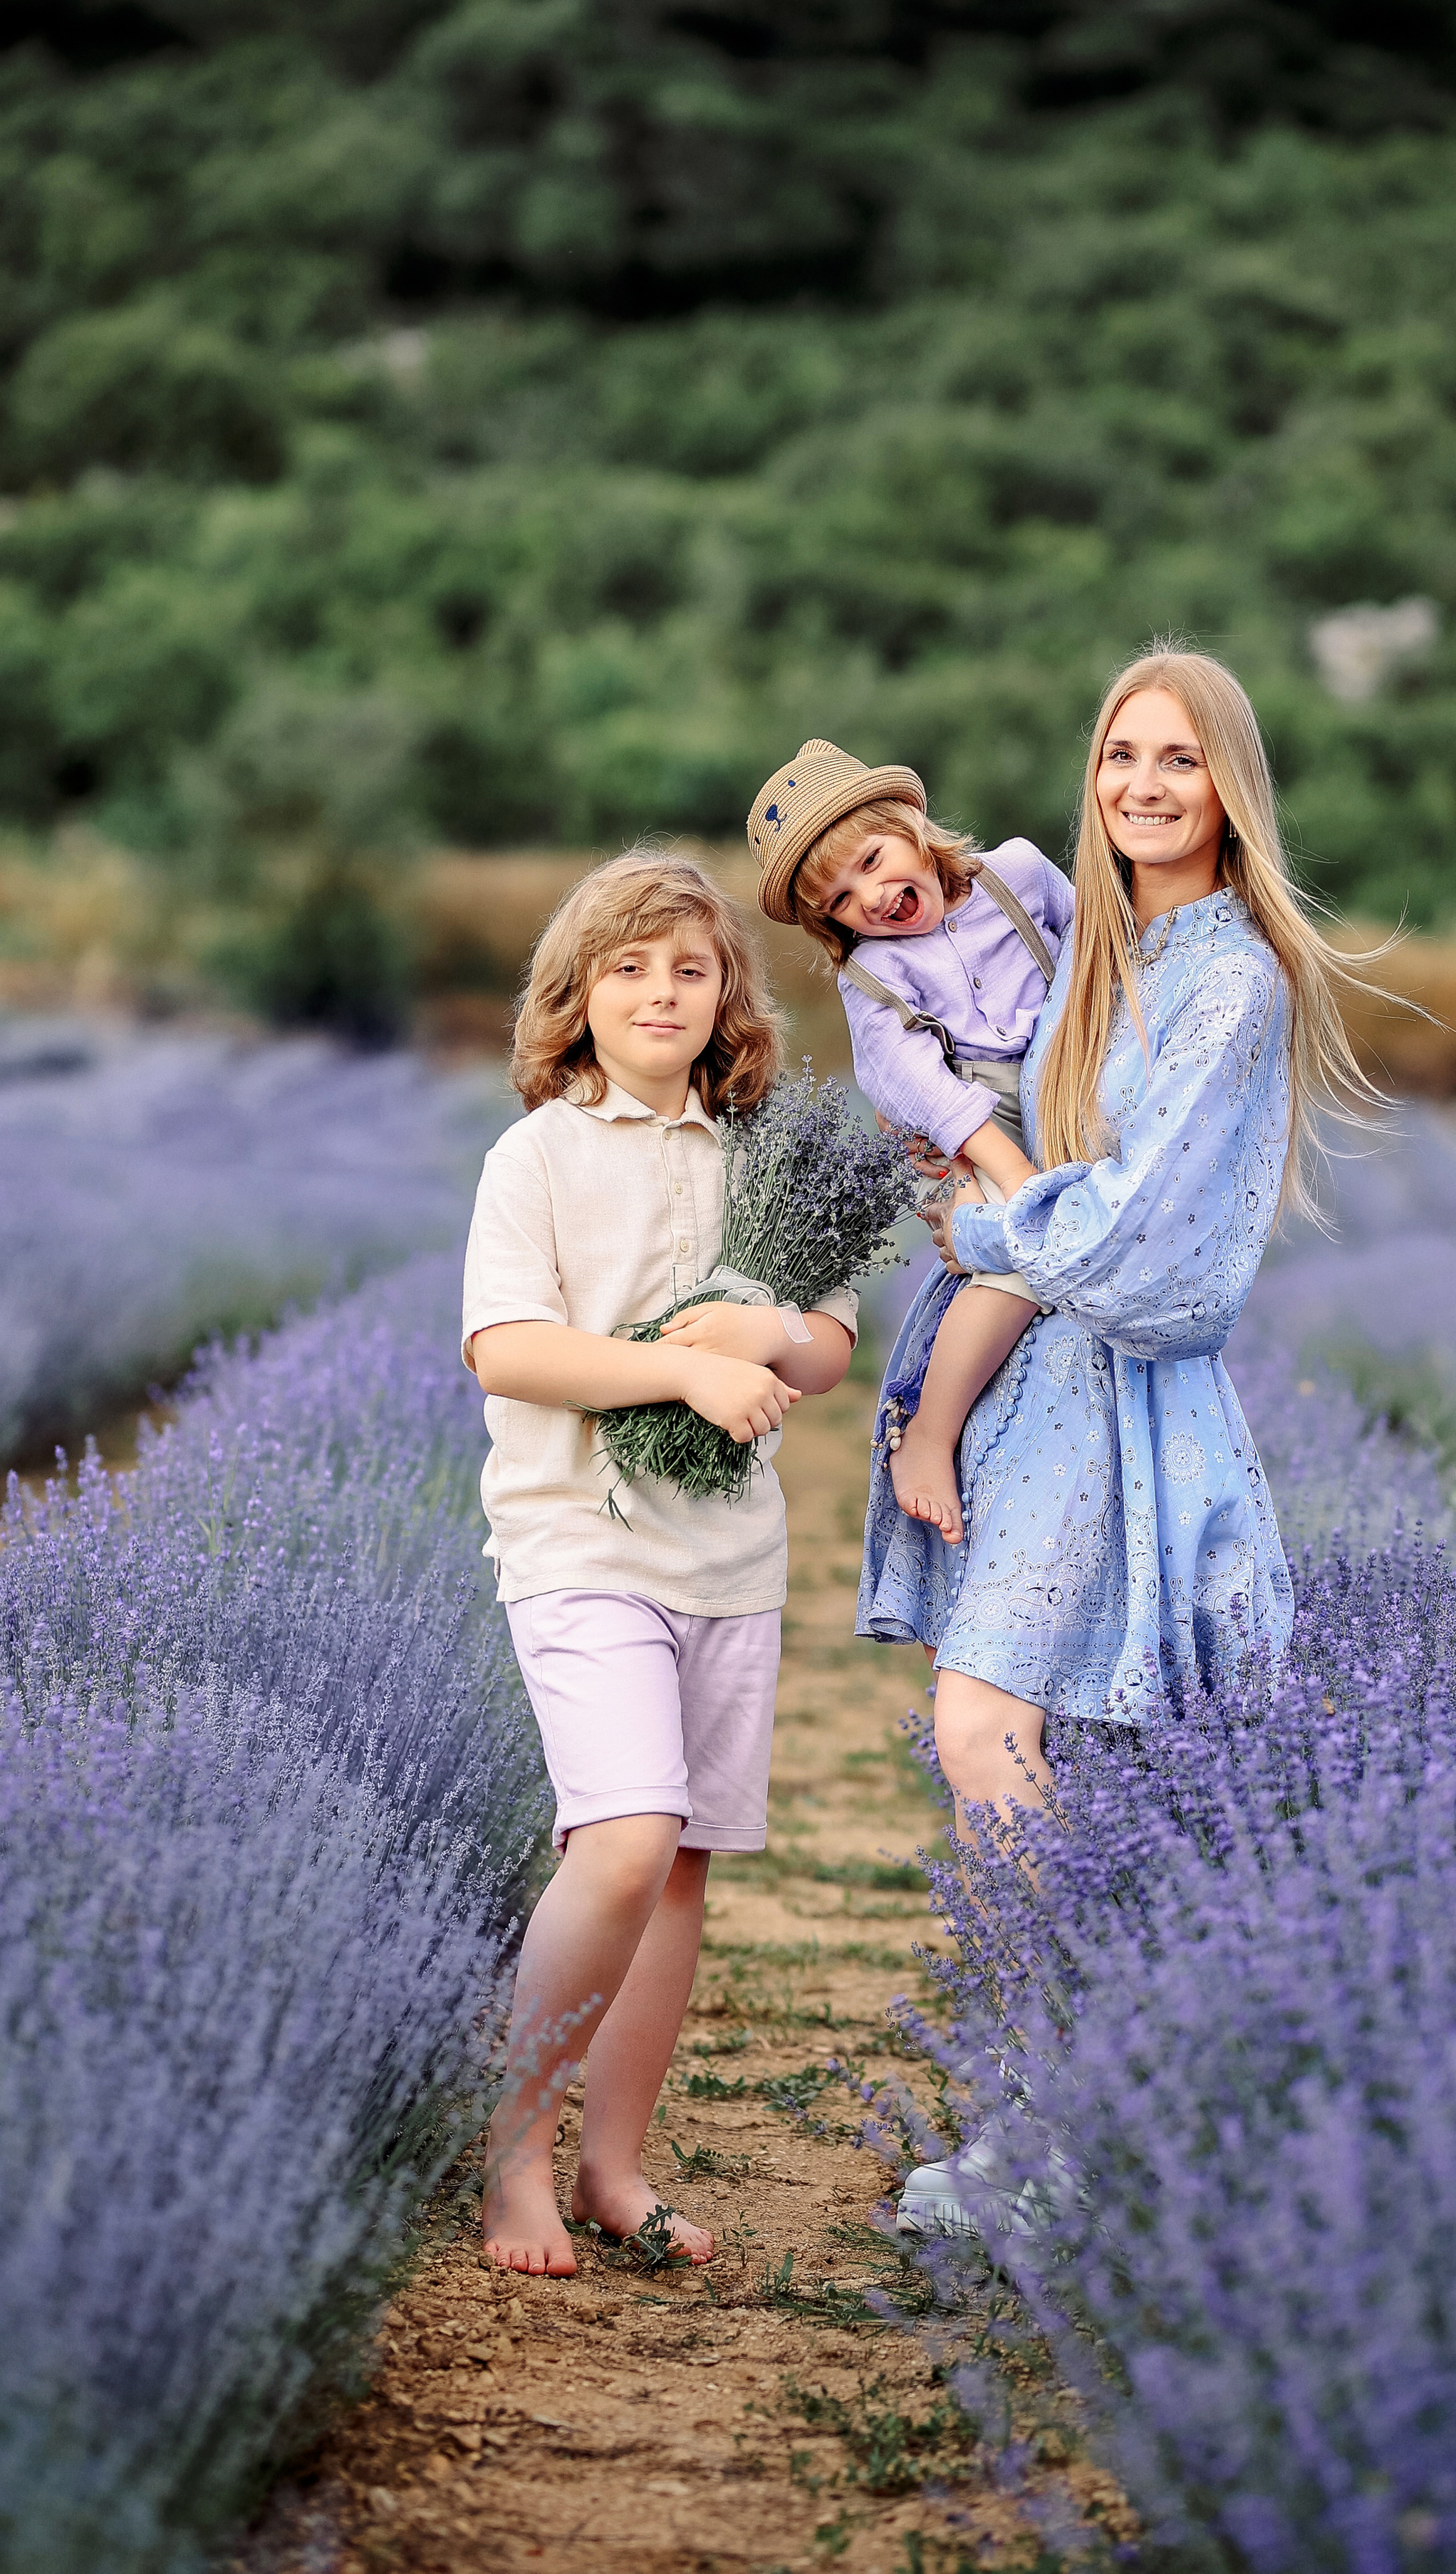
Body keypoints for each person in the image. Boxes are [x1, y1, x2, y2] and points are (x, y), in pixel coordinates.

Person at [853, 650, 1386, 2234]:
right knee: (1062, 1752)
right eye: (1116, 757)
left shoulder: (1231, 979)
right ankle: (1072, 2116)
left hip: (1122, 1402)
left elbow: (1146, 1238)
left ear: (1230, 787)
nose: (1142, 786)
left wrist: (984, 1216)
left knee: (983, 1731)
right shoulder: (1104, 950)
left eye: (1177, 760)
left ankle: (1065, 2124)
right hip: (1037, 1396)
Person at [462, 850, 857, 2275]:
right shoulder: (542, 1156)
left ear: (725, 998)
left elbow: (826, 1342)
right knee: (621, 1841)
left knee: (678, 1869)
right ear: (575, 995)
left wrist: (768, 1341)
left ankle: (613, 2168)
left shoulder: (756, 1149)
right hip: (579, 1541)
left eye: (690, 969)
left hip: (727, 1556)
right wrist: (677, 1379)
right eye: (628, 967)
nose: (660, 992)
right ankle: (513, 2158)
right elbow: (508, 1348)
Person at [747, 741, 1073, 1544]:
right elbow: (922, 1092)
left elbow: (1099, 952)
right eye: (842, 900)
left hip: (1062, 1082)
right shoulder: (876, 975)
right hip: (963, 1125)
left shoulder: (1021, 873)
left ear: (911, 825)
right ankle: (929, 1432)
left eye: (872, 859)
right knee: (1017, 1260)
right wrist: (1021, 1184)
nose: (873, 898)